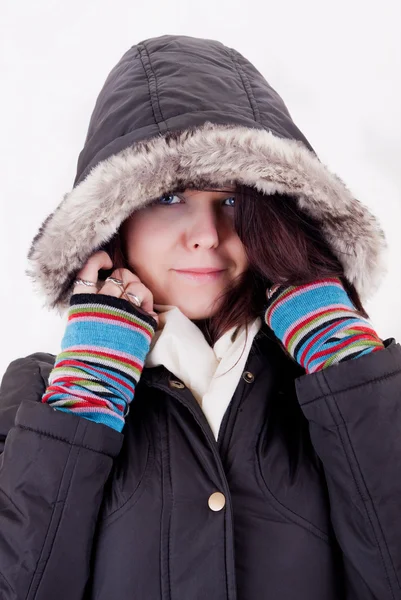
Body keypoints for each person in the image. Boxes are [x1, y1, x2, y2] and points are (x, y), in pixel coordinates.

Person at [0, 33, 400, 600]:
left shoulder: (346, 387)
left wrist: (346, 364)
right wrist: (84, 404)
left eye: (233, 201)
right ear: (115, 221)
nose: (209, 235)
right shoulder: (38, 398)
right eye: (169, 198)